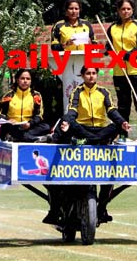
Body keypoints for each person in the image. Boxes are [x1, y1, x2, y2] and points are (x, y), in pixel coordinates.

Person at [46, 66, 131, 225]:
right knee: (69, 123)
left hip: (100, 130)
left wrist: (122, 122)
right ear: (83, 75)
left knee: (115, 126)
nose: (91, 76)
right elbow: (72, 110)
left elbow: (111, 110)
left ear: (97, 75)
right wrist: (67, 122)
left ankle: (102, 207)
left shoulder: (104, 92)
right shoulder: (77, 92)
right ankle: (92, 140)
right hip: (83, 129)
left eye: (93, 73)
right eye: (88, 74)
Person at [105, 0, 137, 139]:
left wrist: (127, 55)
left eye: (128, 9)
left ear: (132, 10)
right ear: (118, 11)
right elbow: (109, 46)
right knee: (123, 105)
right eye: (123, 9)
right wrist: (108, 51)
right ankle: (123, 135)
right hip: (119, 71)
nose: (126, 11)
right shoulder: (112, 28)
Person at [0, 69, 50, 142]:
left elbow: (39, 115)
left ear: (31, 81)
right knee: (7, 129)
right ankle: (33, 138)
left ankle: (19, 138)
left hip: (28, 126)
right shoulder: (9, 95)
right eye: (22, 78)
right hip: (12, 126)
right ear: (17, 80)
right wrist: (8, 120)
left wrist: (29, 124)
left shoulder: (36, 95)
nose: (25, 81)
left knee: (46, 127)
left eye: (28, 79)